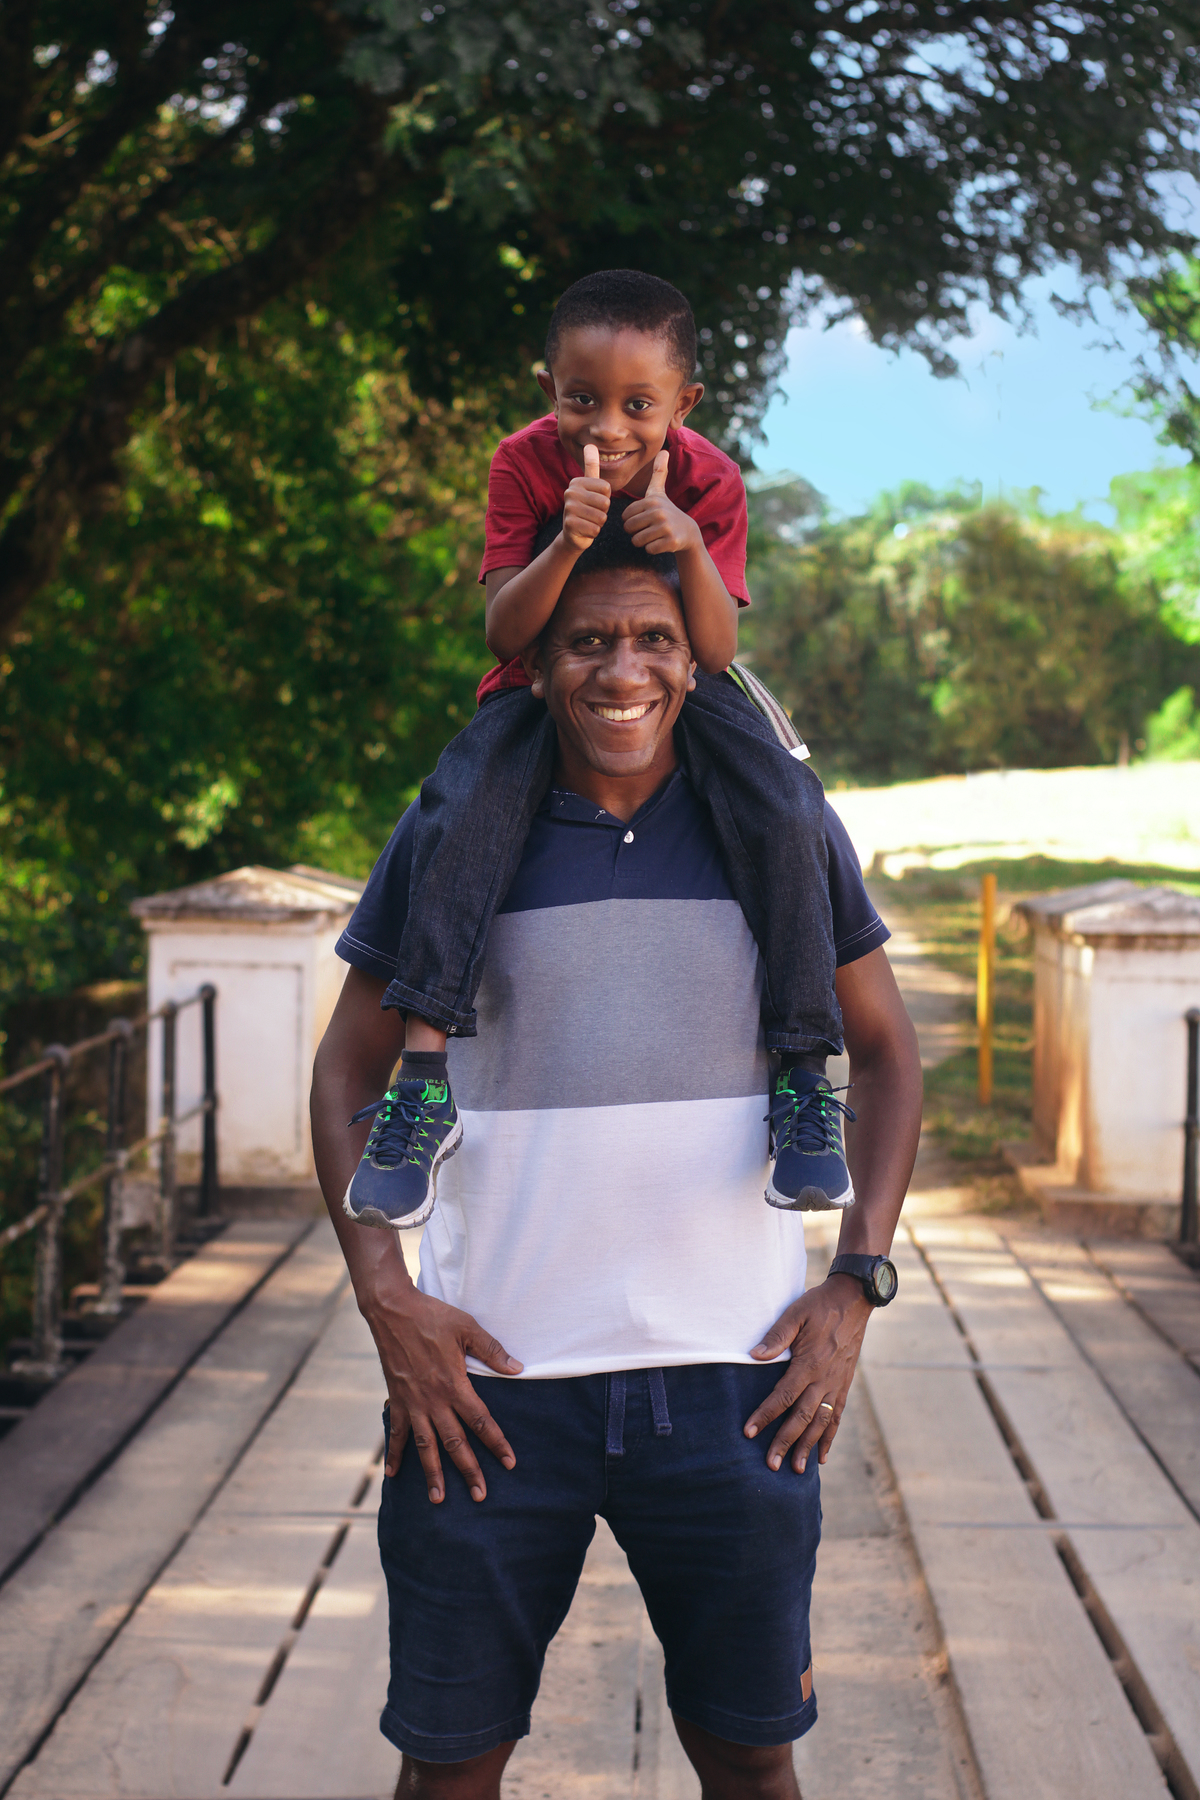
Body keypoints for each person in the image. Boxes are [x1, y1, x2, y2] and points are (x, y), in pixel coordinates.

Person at [310, 516, 923, 1800]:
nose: (622, 669)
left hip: (733, 1382)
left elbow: (888, 1054)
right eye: (587, 642)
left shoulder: (776, 835)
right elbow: (347, 1070)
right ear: (537, 665)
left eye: (653, 638)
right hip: (488, 1387)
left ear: (695, 660)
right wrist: (387, 1297)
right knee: (449, 1768)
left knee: (753, 1759)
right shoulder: (458, 838)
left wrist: (855, 1286)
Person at [342, 270, 852, 1234]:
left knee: (788, 804)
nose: (606, 430)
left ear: (682, 405)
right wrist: (566, 544)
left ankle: (801, 1079)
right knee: (460, 807)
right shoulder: (523, 466)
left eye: (637, 407)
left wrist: (691, 547)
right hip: (540, 686)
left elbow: (716, 649)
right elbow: (503, 630)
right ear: (549, 390)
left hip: (681, 689)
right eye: (582, 400)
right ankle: (422, 1083)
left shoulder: (711, 478)